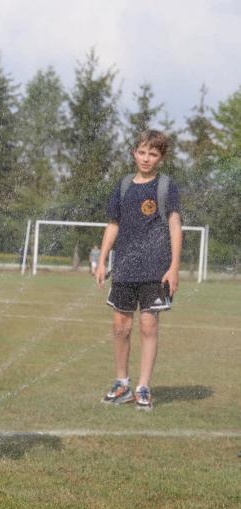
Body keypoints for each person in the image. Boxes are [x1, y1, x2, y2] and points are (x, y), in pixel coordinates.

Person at [96, 130, 182, 411]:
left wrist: (174, 267)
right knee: (120, 326)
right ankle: (122, 383)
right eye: (142, 152)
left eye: (153, 154)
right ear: (134, 153)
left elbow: (174, 226)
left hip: (156, 269)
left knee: (148, 325)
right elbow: (113, 224)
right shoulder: (123, 186)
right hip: (124, 268)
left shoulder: (166, 186)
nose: (146, 158)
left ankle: (143, 387)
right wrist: (102, 260)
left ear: (161, 158)